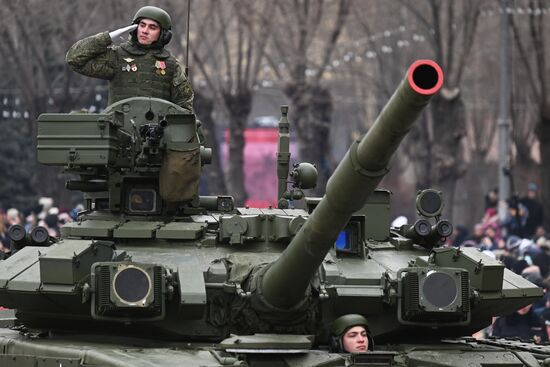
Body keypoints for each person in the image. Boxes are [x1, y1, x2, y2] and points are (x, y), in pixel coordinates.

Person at [66, 6, 193, 111]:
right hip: (118, 131)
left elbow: (185, 107)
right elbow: (74, 59)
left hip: (157, 135)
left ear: (164, 35)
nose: (145, 31)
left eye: (152, 27)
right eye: (142, 25)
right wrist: (108, 37)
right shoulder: (117, 56)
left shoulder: (171, 65)